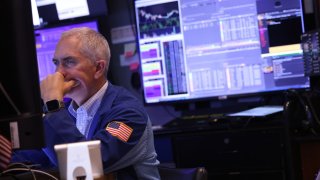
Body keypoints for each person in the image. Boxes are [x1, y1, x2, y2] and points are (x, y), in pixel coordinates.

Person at [13, 27, 160, 179]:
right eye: (56, 63)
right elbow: (35, 156)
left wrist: (52, 104)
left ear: (98, 68)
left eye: (69, 62)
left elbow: (82, 167)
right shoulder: (70, 111)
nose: (59, 73)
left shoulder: (128, 114)